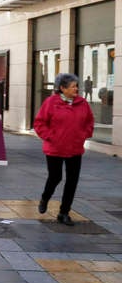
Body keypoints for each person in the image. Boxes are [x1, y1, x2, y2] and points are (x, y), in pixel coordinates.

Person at [33, 72, 94, 226]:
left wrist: (83, 135)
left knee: (72, 181)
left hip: (75, 148)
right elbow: (39, 123)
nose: (77, 89)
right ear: (62, 88)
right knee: (55, 177)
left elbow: (89, 122)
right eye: (73, 86)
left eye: (76, 86)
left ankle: (64, 212)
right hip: (55, 148)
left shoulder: (82, 103)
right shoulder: (50, 102)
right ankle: (45, 198)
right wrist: (51, 136)